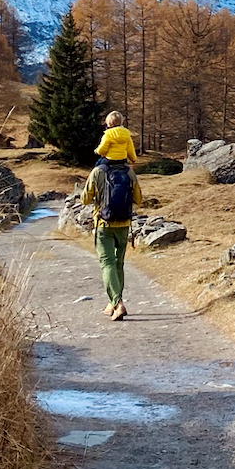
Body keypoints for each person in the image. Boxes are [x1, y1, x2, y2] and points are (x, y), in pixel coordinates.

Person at [82, 111, 141, 321]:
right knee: (118, 264)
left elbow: (85, 199)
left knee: (107, 263)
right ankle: (113, 302)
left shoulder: (98, 172)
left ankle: (117, 303)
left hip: (103, 223)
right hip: (124, 224)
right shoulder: (129, 172)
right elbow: (139, 199)